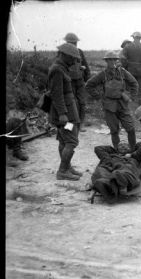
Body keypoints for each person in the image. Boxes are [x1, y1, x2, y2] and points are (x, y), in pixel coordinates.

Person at [85, 51, 138, 151]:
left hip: (122, 104)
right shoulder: (102, 74)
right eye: (109, 60)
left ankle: (134, 150)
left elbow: (134, 83)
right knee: (114, 131)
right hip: (109, 106)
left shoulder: (123, 72)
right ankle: (118, 152)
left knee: (130, 128)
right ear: (106, 61)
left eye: (114, 60)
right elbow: (89, 85)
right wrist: (99, 96)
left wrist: (132, 96)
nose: (112, 62)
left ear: (117, 60)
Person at [48, 43, 83, 181]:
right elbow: (57, 94)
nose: (74, 61)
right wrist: (62, 113)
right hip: (65, 116)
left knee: (64, 140)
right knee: (72, 141)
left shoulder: (62, 68)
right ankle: (62, 170)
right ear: (65, 55)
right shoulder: (57, 70)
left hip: (68, 113)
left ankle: (67, 167)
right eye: (72, 58)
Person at [63, 32, 90, 132]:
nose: (74, 44)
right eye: (71, 43)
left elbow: (86, 66)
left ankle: (80, 125)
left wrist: (87, 78)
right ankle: (69, 126)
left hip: (80, 81)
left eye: (75, 43)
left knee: (82, 103)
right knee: (70, 104)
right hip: (68, 83)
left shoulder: (80, 52)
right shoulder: (63, 54)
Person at [122, 31, 141, 104]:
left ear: (133, 37)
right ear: (140, 38)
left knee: (130, 89)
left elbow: (122, 59)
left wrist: (125, 69)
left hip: (130, 71)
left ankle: (130, 105)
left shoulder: (127, 47)